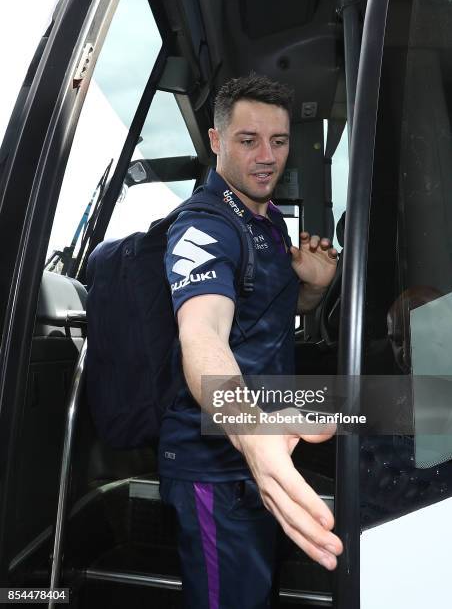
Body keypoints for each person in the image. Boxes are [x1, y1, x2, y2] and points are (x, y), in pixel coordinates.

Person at [158, 73, 343, 608]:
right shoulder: (205, 224)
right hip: (215, 465)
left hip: (259, 450)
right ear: (216, 141)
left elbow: (266, 320)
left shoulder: (269, 221)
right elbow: (204, 334)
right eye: (248, 140)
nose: (268, 157)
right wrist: (251, 431)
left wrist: (313, 289)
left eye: (279, 141)